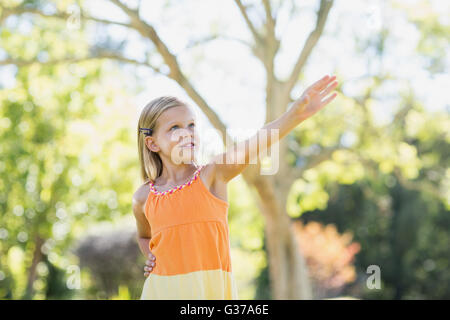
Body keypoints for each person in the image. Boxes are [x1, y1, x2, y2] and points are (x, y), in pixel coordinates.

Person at [133, 75, 338, 299]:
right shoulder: (144, 197)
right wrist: (151, 255)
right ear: (152, 143)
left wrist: (294, 115)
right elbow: (144, 236)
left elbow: (257, 141)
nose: (187, 133)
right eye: (174, 128)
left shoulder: (212, 175)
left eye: (191, 125)